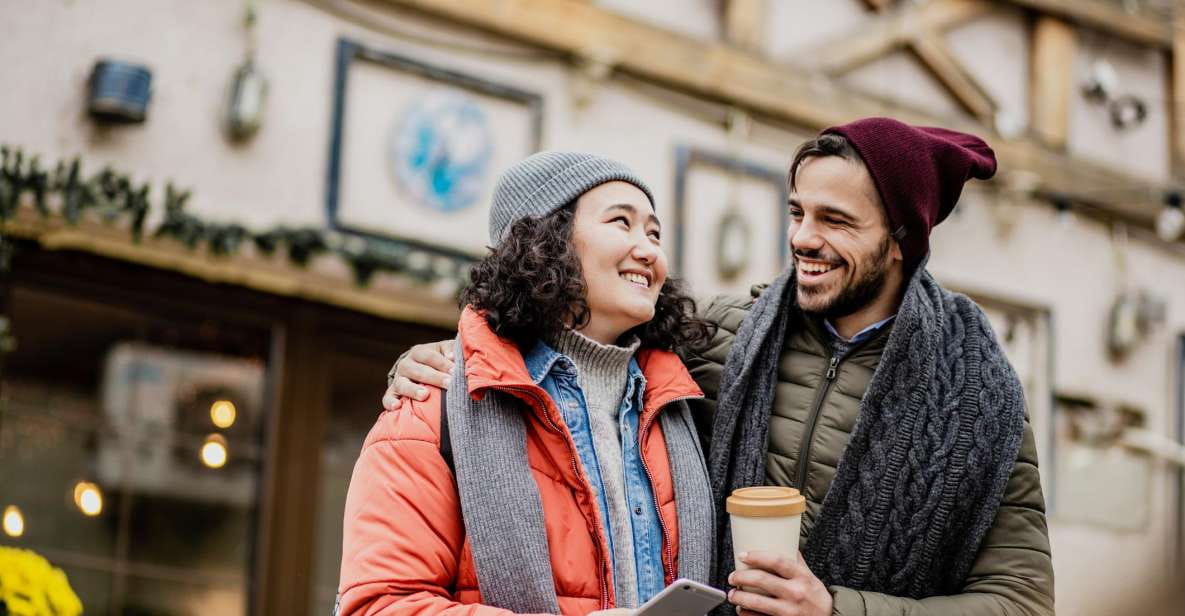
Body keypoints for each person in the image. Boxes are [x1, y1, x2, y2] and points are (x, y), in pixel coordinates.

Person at [383, 118, 1056, 616]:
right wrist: (437, 358)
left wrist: (836, 609)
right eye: (796, 213)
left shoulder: (978, 398)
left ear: (902, 240)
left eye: (835, 220)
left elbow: (1020, 601)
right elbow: (558, 329)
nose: (802, 238)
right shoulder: (719, 337)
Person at [337, 151, 716, 616]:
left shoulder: (683, 407)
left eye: (654, 233)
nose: (650, 250)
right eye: (621, 223)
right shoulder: (429, 405)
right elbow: (379, 605)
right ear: (545, 240)